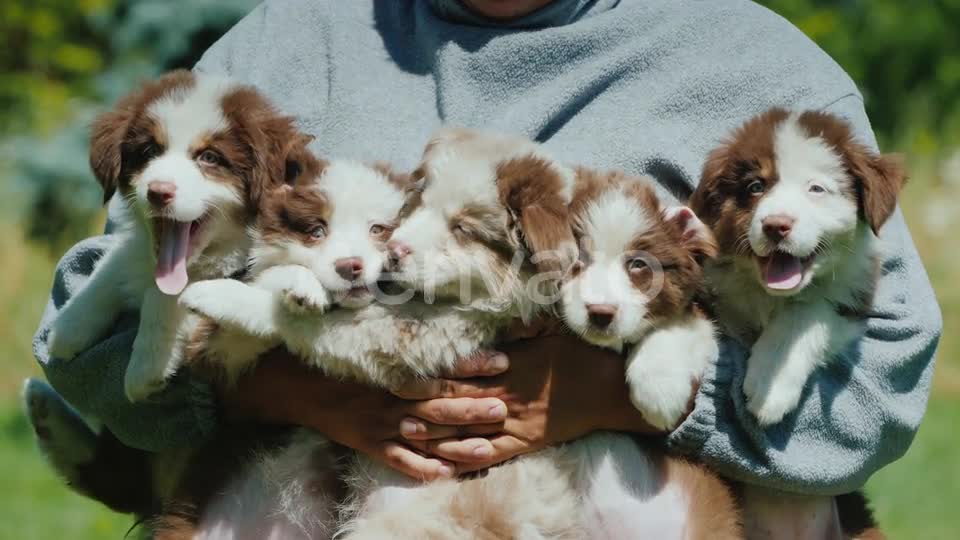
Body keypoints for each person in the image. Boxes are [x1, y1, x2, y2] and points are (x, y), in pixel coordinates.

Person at [34, 0, 942, 537]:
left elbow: (880, 390)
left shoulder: (749, 60)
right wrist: (283, 387)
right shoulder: (292, 41)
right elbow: (91, 333)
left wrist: (617, 395)